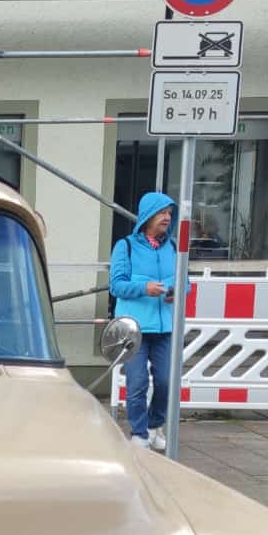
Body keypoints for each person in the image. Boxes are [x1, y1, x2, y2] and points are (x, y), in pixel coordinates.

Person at [109, 191, 179, 452]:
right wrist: (143, 288)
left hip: (164, 328)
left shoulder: (173, 248)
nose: (167, 217)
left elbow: (187, 283)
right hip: (134, 329)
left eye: (169, 213)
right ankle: (139, 432)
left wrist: (175, 291)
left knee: (165, 382)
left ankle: (153, 425)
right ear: (147, 215)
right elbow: (116, 285)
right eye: (162, 212)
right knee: (137, 382)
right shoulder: (125, 246)